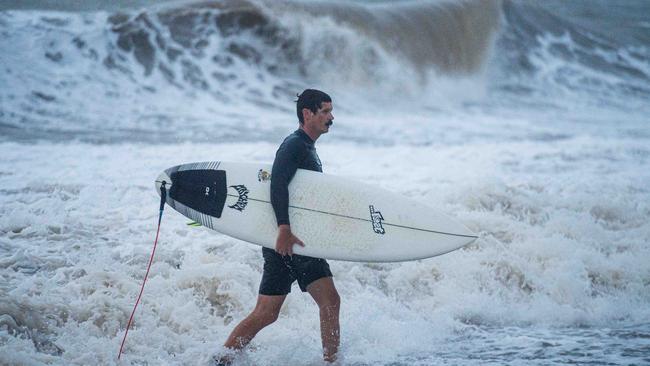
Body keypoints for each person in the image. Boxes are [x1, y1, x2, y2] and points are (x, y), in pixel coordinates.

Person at [217, 89, 340, 364]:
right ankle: (332, 362)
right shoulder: (295, 145)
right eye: (325, 112)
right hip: (293, 241)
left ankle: (221, 360)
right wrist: (284, 228)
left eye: (331, 112)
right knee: (330, 302)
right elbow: (276, 183)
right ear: (307, 114)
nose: (331, 118)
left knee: (266, 313)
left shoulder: (306, 146)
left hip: (282, 242)